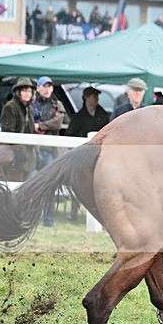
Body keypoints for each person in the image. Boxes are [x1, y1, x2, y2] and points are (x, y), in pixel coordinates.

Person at [66, 86, 110, 220]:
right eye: (93, 96)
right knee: (79, 183)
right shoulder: (78, 117)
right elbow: (70, 134)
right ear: (86, 98)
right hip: (83, 156)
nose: (96, 98)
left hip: (100, 155)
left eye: (97, 96)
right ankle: (73, 213)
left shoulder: (102, 114)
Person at [32, 76, 67, 226]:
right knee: (32, 183)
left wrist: (40, 126)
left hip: (49, 151)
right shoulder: (31, 104)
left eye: (49, 86)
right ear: (38, 88)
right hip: (32, 150)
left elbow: (57, 122)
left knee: (48, 185)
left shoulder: (56, 104)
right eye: (44, 86)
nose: (47, 89)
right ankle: (34, 217)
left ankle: (48, 219)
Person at [0, 77, 38, 182]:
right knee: (14, 184)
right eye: (24, 90)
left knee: (25, 185)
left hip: (28, 154)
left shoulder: (29, 108)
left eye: (29, 91)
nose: (27, 93)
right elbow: (8, 132)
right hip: (14, 155)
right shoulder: (10, 106)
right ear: (18, 92)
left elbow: (31, 130)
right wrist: (19, 151)